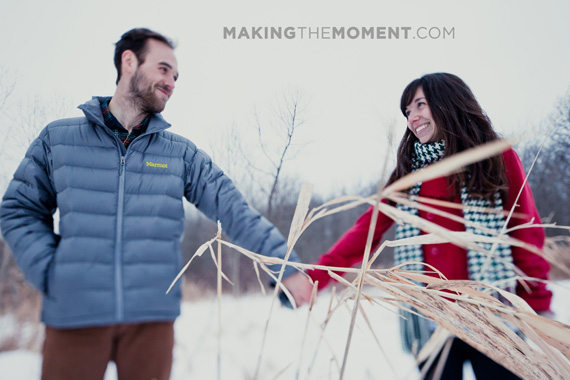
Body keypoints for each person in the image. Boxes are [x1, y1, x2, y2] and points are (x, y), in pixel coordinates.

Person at [0, 28, 300, 380]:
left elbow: (233, 209)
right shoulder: (59, 139)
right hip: (74, 313)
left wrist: (287, 267)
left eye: (175, 75)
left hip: (151, 320)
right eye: (163, 69)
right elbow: (20, 210)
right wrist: (52, 272)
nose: (171, 81)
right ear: (129, 62)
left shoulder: (180, 154)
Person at [285, 73, 552, 379]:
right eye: (408, 111)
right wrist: (314, 277)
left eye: (420, 105)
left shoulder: (495, 158)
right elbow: (365, 232)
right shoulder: (408, 174)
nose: (412, 117)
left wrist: (537, 303)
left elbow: (526, 233)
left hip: (494, 321)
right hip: (432, 326)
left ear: (448, 103)